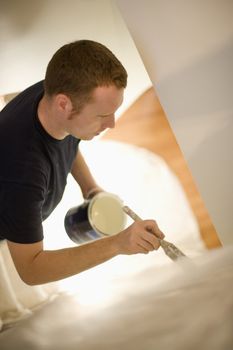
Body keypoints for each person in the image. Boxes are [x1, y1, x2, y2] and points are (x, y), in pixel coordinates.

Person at [0, 40, 165, 286]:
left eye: (113, 111)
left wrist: (90, 187)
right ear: (64, 104)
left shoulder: (52, 92)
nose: (111, 124)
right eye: (101, 115)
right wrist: (118, 243)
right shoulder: (23, 170)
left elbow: (67, 138)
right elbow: (32, 270)